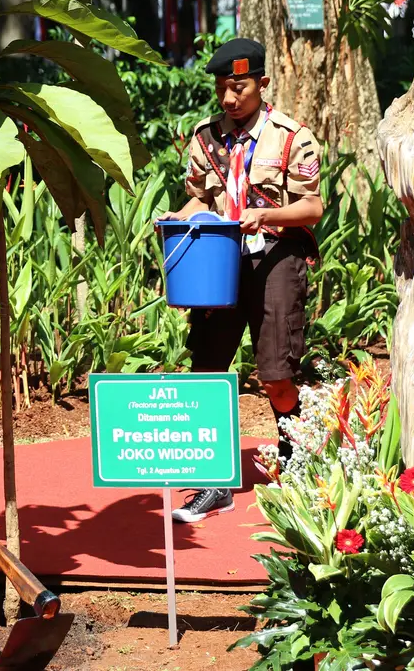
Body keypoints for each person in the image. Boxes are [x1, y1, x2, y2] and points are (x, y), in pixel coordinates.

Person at [159, 38, 324, 524]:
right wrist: (178, 214)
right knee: (207, 369)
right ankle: (215, 484)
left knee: (275, 374)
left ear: (262, 84)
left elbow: (311, 208)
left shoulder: (292, 137)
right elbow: (199, 198)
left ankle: (296, 457)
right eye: (222, 89)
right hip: (218, 260)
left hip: (275, 255)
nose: (228, 99)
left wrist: (266, 213)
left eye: (238, 87)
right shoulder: (205, 137)